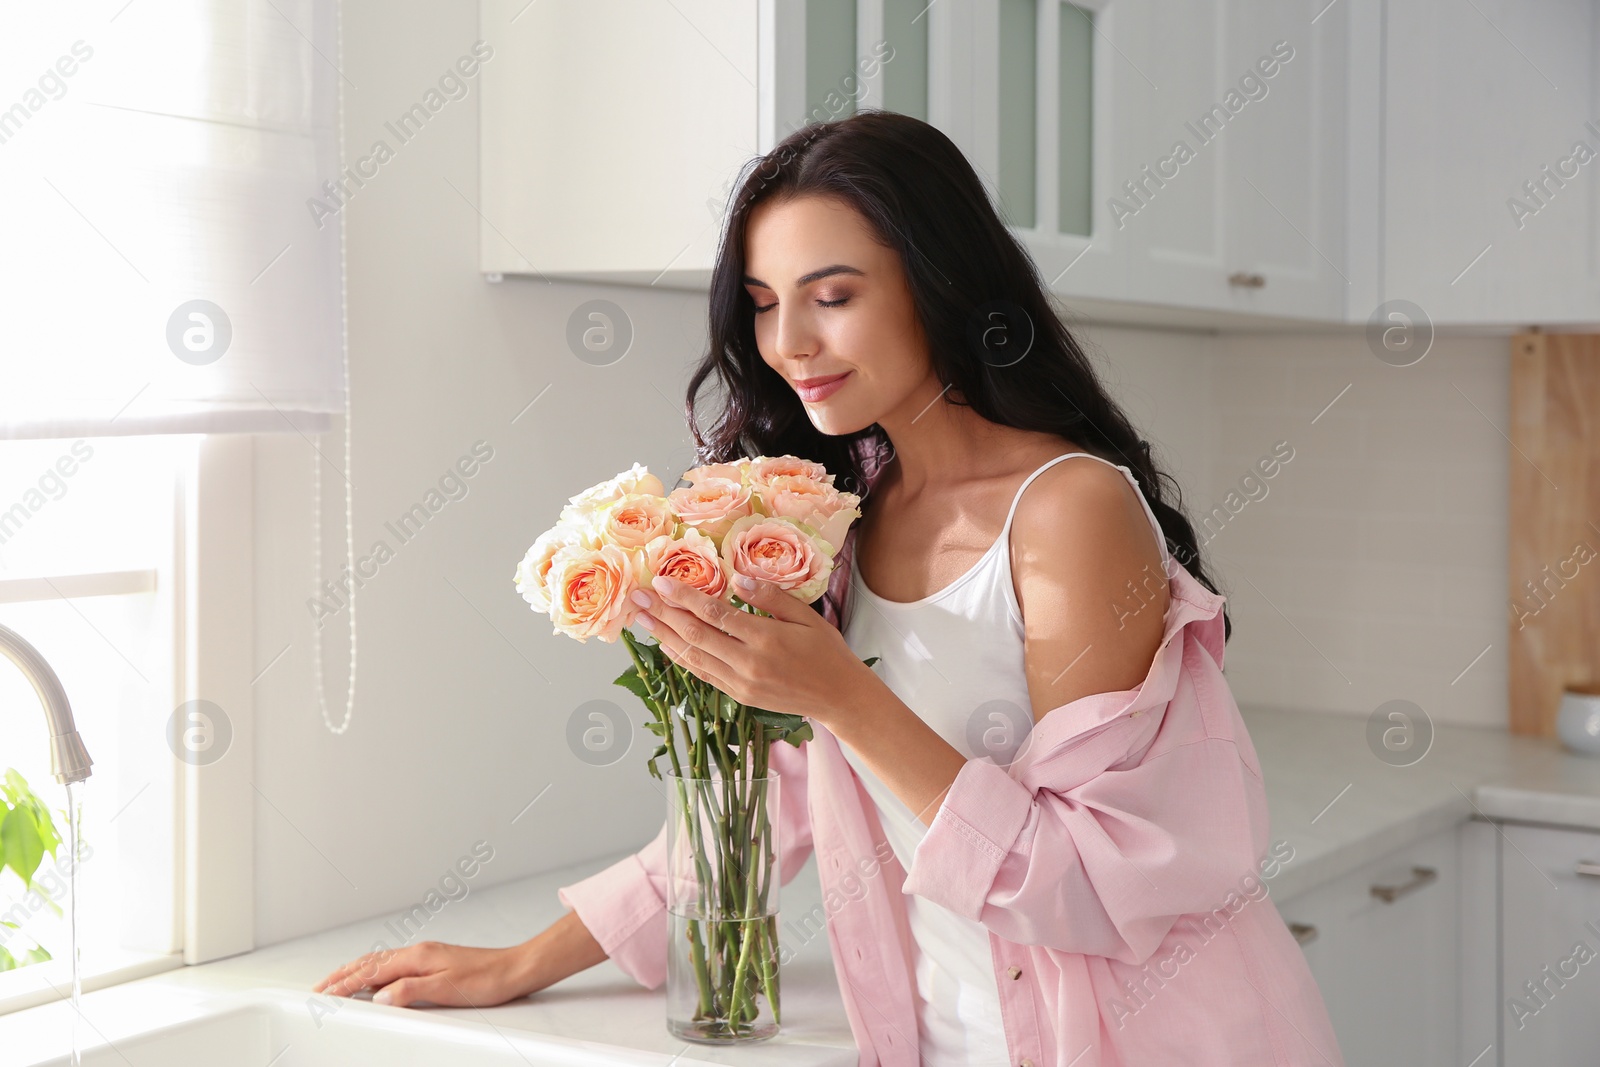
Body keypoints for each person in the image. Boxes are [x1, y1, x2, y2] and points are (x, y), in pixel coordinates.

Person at [315, 109, 1344, 1067]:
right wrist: (516, 964)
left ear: (938, 281)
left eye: (834, 295)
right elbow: (770, 802)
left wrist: (839, 694)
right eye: (764, 306)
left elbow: (1088, 879)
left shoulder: (1067, 509)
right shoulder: (848, 518)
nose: (789, 344)